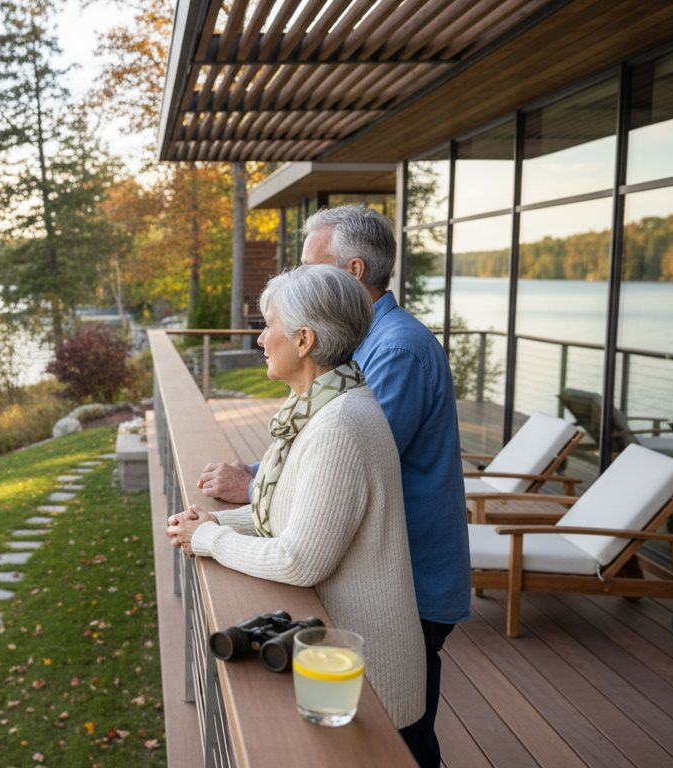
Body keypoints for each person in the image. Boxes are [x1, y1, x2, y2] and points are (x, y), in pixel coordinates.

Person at [196, 206, 469, 767]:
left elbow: (331, 483)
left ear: (351, 271)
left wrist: (217, 533)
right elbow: (311, 477)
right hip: (372, 581)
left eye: (310, 267)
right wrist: (221, 518)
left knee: (401, 743)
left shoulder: (391, 354)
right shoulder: (337, 386)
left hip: (402, 582)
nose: (260, 338)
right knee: (398, 737)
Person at [167, 263, 426, 731]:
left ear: (304, 341)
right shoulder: (325, 406)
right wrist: (215, 523)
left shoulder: (339, 427)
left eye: (269, 327)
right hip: (338, 660)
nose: (261, 340)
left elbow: (299, 559)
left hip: (367, 683)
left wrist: (209, 540)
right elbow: (296, 511)